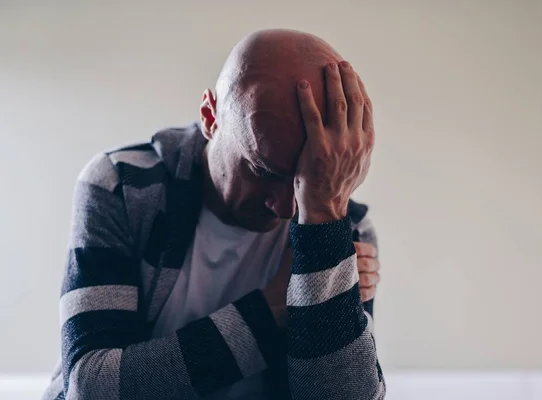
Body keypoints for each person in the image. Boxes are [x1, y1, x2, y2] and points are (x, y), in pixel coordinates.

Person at [42, 28, 385, 400]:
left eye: (305, 180)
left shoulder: (335, 223)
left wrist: (323, 228)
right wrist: (273, 310)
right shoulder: (124, 187)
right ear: (210, 116)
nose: (287, 207)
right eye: (264, 171)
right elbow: (92, 386)